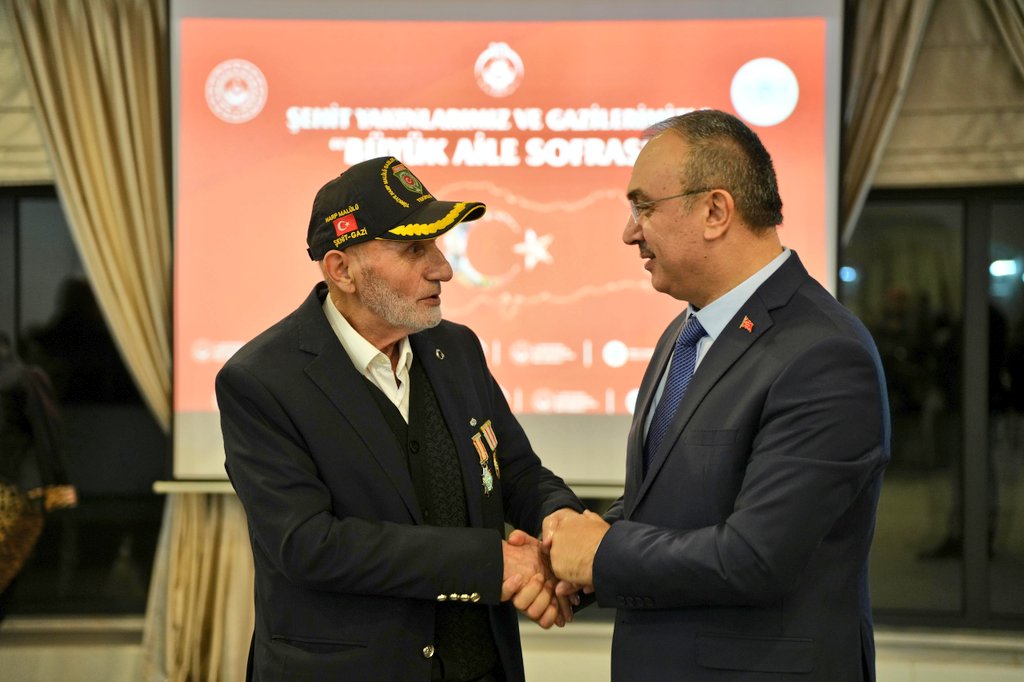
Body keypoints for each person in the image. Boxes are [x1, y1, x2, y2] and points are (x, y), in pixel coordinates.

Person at [546, 110, 891, 681]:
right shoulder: (686, 332)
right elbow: (669, 502)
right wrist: (575, 555)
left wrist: (601, 554)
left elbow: (756, 558)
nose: (630, 232)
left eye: (644, 207)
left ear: (715, 211)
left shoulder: (824, 353)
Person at [215, 156, 583, 682]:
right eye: (414, 249)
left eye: (436, 245)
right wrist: (493, 564)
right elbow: (309, 545)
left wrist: (560, 524)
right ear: (341, 269)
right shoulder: (261, 380)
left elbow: (516, 472)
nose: (443, 268)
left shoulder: (457, 349)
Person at [0, 331, 78, 621]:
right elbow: (48, 437)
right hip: (22, 491)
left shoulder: (23, 380)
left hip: (18, 491)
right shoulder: (25, 379)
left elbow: (46, 437)